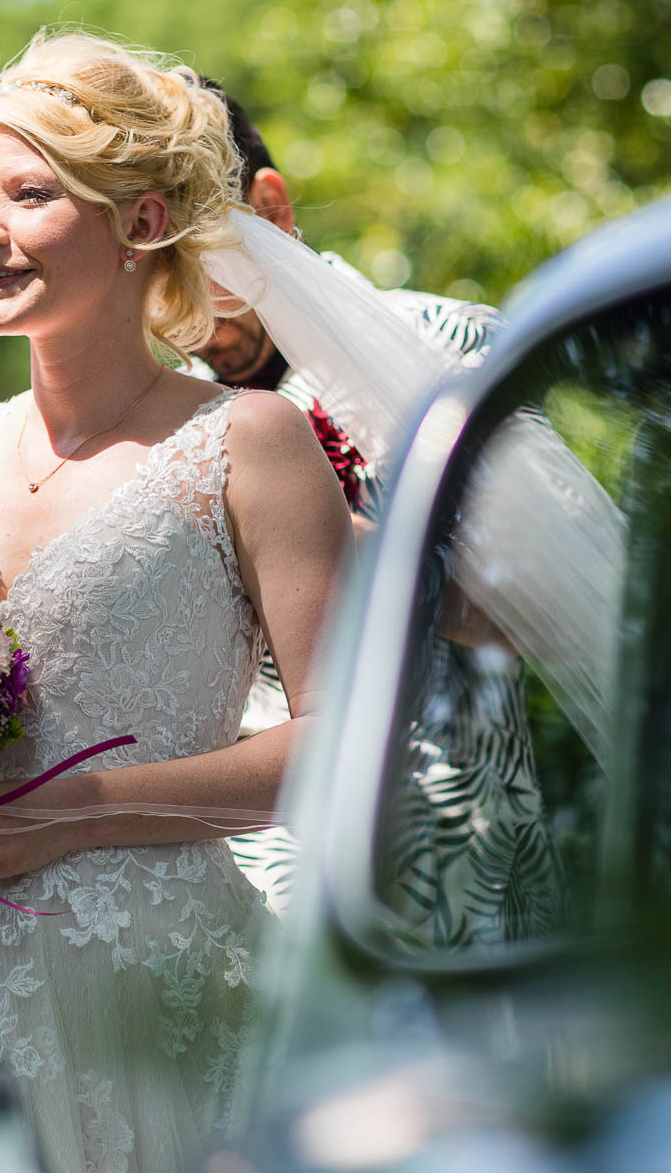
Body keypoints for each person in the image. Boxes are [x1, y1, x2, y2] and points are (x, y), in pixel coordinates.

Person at [0, 30, 353, 1170]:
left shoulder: (248, 443)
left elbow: (339, 747)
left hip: (158, 999)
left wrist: (72, 813)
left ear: (144, 223)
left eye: (28, 193)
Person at [197, 88, 562, 944]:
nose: (187, 317)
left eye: (201, 262)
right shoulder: (161, 414)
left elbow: (547, 608)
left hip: (448, 877)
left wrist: (322, 534)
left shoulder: (447, 343)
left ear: (272, 209)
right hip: (235, 897)